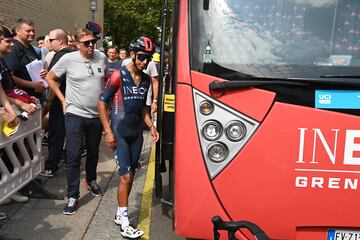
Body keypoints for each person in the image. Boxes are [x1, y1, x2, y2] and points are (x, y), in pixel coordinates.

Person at [98, 36, 159, 239]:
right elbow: (101, 102)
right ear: (132, 54)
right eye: (142, 57)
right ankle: (125, 223)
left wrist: (150, 126)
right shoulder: (118, 75)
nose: (145, 62)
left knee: (131, 175)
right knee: (124, 176)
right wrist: (107, 131)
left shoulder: (147, 79)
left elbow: (143, 108)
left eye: (148, 59)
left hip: (136, 134)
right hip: (120, 132)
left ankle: (119, 212)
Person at [46, 28, 107, 215]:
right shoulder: (68, 59)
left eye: (93, 41)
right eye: (86, 43)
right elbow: (50, 77)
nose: (91, 45)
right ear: (77, 44)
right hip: (74, 113)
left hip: (95, 115)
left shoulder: (101, 57)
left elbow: (104, 79)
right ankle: (73, 195)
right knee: (72, 155)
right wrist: (63, 100)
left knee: (94, 151)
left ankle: (91, 179)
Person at [40, 29, 74, 178]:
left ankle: (51, 166)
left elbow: (56, 82)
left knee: (56, 133)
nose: (49, 43)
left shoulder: (60, 56)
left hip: (60, 103)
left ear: (60, 40)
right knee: (71, 134)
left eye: (51, 40)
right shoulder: (73, 54)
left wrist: (48, 99)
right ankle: (69, 162)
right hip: (73, 101)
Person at [4, 18, 47, 102]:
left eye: (33, 31)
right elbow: (10, 77)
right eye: (28, 31)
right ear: (17, 31)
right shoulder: (14, 47)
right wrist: (33, 85)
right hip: (20, 99)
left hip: (34, 97)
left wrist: (43, 73)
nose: (32, 33)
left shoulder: (30, 48)